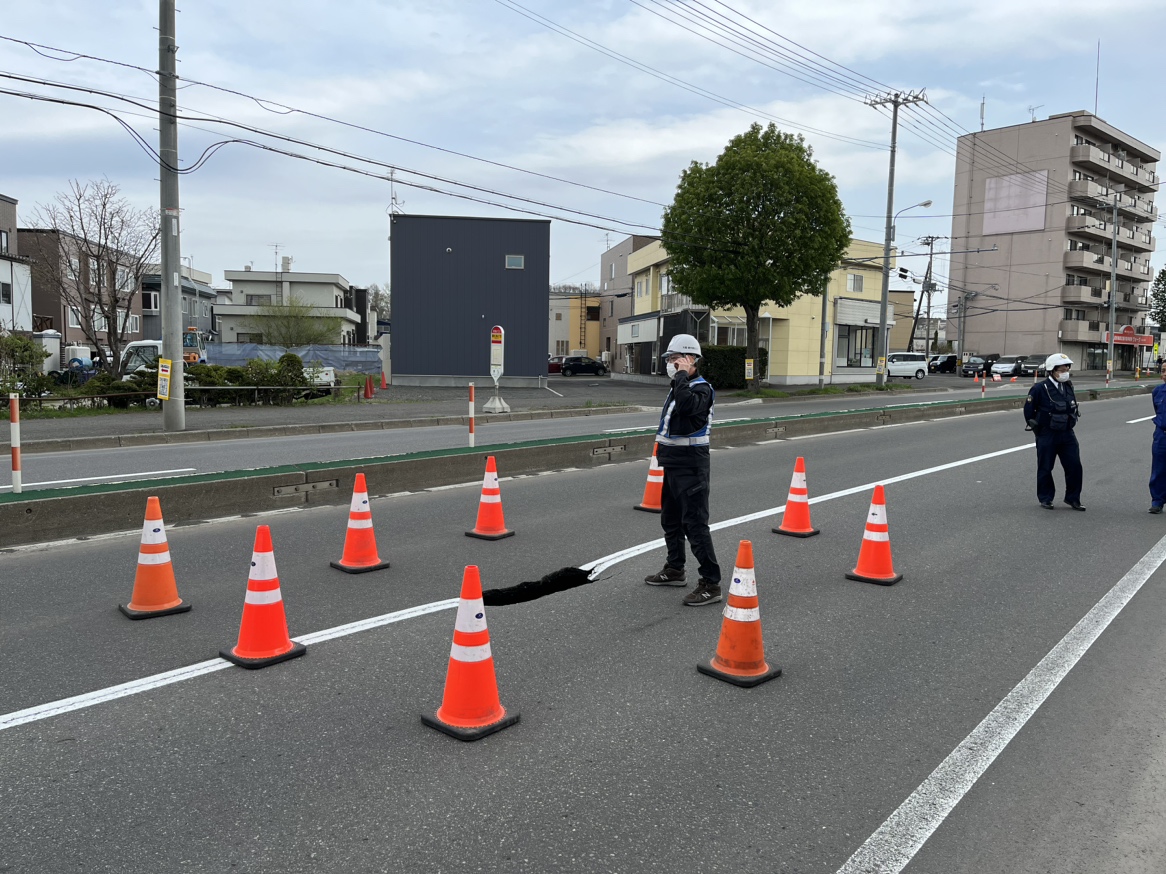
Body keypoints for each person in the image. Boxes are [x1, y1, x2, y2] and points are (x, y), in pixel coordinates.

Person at [643, 333, 722, 606]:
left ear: (690, 359)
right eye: (670, 359)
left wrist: (681, 377)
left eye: (675, 359)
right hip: (674, 464)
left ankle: (711, 583)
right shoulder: (681, 386)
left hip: (692, 465)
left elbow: (688, 409)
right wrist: (679, 379)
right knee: (671, 520)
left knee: (695, 525)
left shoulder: (701, 389)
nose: (671, 364)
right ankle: (675, 569)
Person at [1023, 352, 1084, 511]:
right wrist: (1039, 431)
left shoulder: (1068, 385)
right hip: (1047, 433)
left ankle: (1073, 498)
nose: (1065, 372)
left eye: (1066, 369)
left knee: (1075, 466)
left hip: (1067, 433)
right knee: (1045, 467)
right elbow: (1029, 411)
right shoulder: (1039, 388)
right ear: (1052, 370)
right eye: (1061, 370)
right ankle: (1045, 498)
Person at [1149, 367, 1166, 513]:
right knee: (1158, 468)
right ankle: (1157, 501)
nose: (1165, 374)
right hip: (1162, 434)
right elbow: (1157, 410)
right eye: (1163, 370)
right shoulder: (1158, 391)